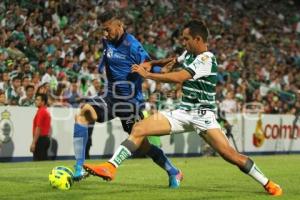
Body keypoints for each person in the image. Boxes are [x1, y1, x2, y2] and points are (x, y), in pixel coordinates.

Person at [83, 20, 282, 196]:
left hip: (204, 117)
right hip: (182, 112)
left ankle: (268, 183)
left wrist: (148, 74)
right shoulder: (189, 53)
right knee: (139, 128)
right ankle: (110, 167)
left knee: (231, 156)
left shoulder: (206, 59)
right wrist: (151, 63)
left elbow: (179, 77)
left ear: (198, 39)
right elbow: (171, 61)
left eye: (186, 39)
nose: (183, 43)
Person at [72, 11, 183, 188]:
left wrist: (162, 67)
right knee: (83, 114)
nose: (105, 34)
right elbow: (107, 59)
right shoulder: (106, 40)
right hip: (110, 97)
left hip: (131, 102)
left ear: (119, 25)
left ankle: (173, 171)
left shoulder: (133, 46)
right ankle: (79, 168)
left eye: (108, 30)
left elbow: (148, 65)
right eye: (103, 30)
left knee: (143, 146)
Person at [30, 93, 51, 161]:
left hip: (41, 140)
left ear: (43, 102)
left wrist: (33, 143)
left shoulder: (41, 111)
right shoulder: (45, 111)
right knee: (43, 160)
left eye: (38, 100)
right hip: (44, 139)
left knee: (38, 161)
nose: (36, 101)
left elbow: (38, 127)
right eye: (36, 99)